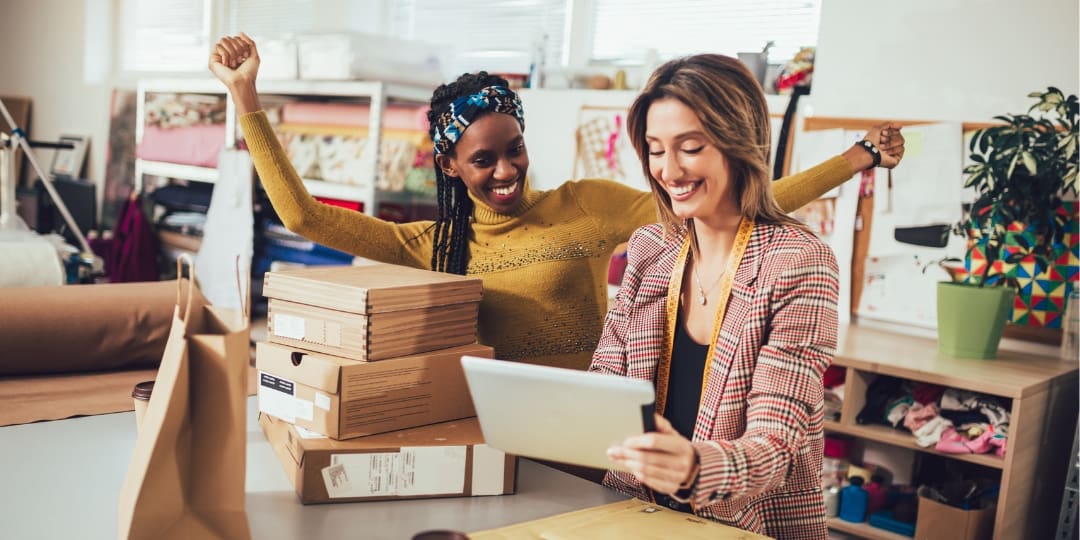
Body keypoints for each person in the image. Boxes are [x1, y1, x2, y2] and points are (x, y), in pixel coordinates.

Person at [208, 34, 903, 372]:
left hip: (592, 431)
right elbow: (301, 218)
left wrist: (856, 159)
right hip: (486, 428)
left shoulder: (587, 206)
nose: (506, 170)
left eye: (515, 147)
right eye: (483, 159)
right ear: (449, 166)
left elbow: (736, 203)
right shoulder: (428, 244)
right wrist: (246, 100)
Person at [595, 53, 842, 538]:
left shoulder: (798, 262)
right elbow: (605, 382)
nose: (668, 170)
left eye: (689, 147)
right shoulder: (649, 249)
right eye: (655, 149)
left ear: (739, 143)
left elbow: (777, 446)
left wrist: (691, 467)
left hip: (739, 526)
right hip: (632, 516)